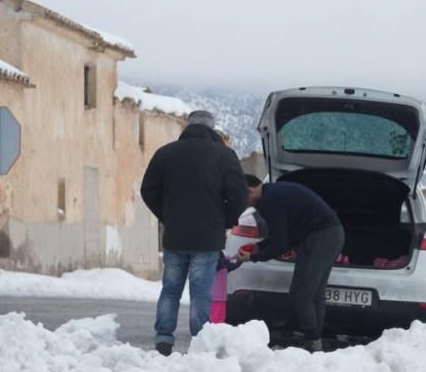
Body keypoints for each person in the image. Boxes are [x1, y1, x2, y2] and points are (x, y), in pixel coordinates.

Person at [141, 110, 248, 356]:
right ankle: (200, 341)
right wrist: (227, 220)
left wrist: (166, 215)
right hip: (207, 237)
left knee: (170, 289)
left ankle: (164, 339)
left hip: (175, 235)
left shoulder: (166, 153)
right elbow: (239, 194)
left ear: (187, 127)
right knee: (201, 293)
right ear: (212, 129)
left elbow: (148, 190)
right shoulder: (225, 155)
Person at [238, 175, 344, 349]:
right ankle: (315, 340)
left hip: (321, 237)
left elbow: (281, 244)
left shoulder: (270, 200)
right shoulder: (272, 194)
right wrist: (258, 247)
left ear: (249, 191)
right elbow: (281, 235)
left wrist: (253, 258)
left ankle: (313, 343)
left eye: (240, 196)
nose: (241, 202)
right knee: (314, 294)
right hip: (331, 233)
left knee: (301, 293)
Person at [210, 253, 242, 323]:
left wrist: (237, 260)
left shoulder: (219, 257)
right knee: (215, 320)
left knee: (219, 318)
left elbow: (229, 264)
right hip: (215, 297)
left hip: (220, 296)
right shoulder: (214, 255)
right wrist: (236, 259)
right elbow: (227, 263)